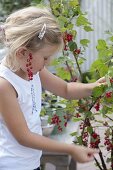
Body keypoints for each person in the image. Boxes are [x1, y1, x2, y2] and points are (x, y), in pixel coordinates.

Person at [0, 6, 105, 170]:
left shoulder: (33, 69)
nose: (48, 63)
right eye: (45, 57)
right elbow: (24, 137)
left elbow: (66, 90)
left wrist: (95, 87)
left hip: (31, 162)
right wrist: (70, 148)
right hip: (12, 165)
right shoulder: (5, 85)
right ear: (22, 52)